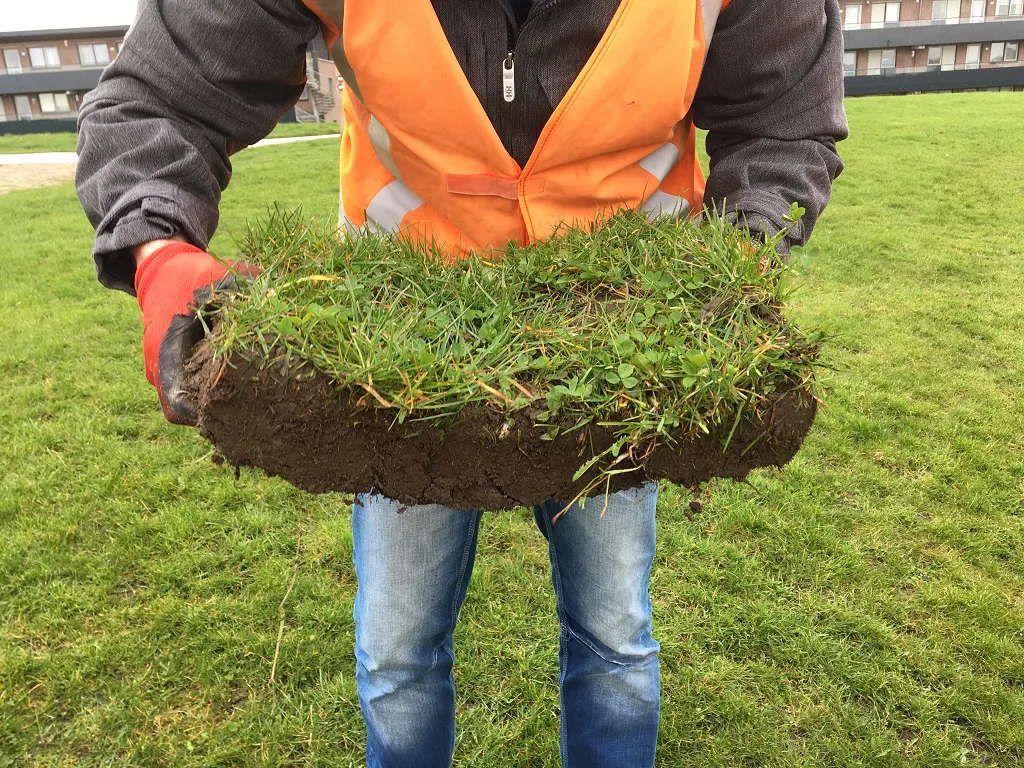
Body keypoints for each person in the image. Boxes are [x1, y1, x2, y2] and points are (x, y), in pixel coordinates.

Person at [75, 1, 847, 765]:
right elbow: (160, 96)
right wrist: (160, 250)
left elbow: (783, 113)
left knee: (614, 636)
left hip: (618, 339)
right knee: (397, 649)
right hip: (400, 335)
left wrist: (740, 257)